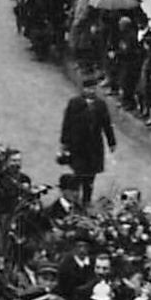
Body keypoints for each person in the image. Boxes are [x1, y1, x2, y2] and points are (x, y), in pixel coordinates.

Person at [59, 76, 116, 207]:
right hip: (78, 145)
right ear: (83, 89)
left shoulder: (100, 105)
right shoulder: (74, 103)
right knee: (78, 173)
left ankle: (86, 200)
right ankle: (74, 198)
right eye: (88, 88)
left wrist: (111, 141)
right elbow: (67, 123)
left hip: (94, 146)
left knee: (91, 175)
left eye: (93, 88)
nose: (91, 91)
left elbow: (107, 124)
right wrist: (65, 142)